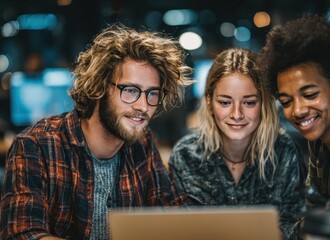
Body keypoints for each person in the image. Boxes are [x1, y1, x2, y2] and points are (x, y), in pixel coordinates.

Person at [0, 23, 192, 239]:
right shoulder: (36, 145)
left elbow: (175, 216)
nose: (143, 106)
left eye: (152, 94)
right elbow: (22, 234)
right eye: (130, 90)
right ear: (99, 87)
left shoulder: (142, 144)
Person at [168, 48, 305, 240]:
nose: (237, 114)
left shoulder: (284, 151)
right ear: (209, 102)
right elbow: (179, 229)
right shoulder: (185, 155)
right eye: (225, 102)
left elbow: (294, 226)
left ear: (263, 103)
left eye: (249, 103)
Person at [259, 14, 330, 239]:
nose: (297, 110)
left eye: (310, 95)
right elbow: (309, 219)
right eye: (286, 101)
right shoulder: (321, 142)